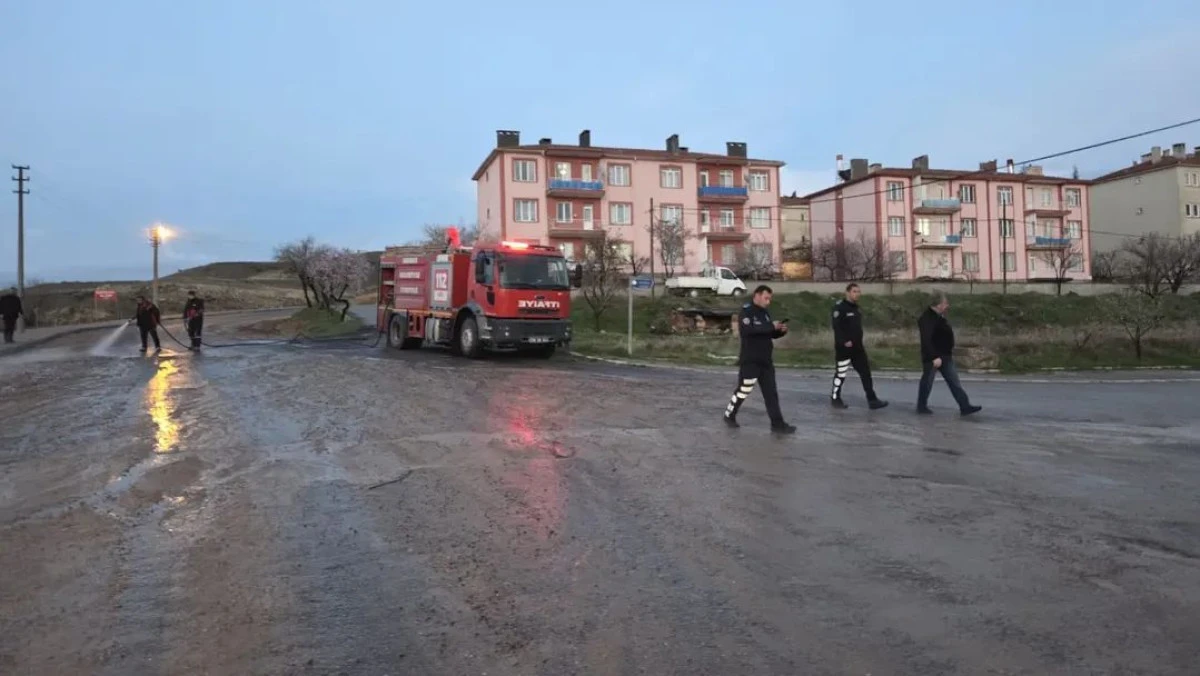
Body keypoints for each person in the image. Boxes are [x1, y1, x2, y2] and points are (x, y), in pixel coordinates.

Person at [722, 285, 797, 434]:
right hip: (751, 360)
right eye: (766, 298)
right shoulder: (746, 312)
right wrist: (770, 326)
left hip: (765, 360)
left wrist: (779, 331)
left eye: (770, 298)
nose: (768, 302)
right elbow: (749, 331)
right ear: (757, 295)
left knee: (771, 393)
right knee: (744, 390)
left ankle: (778, 424)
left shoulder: (765, 313)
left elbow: (768, 333)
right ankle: (730, 414)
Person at [917, 292, 982, 416]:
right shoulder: (927, 318)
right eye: (945, 303)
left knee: (954, 381)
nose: (947, 305)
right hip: (934, 357)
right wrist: (934, 357)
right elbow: (926, 339)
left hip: (945, 355)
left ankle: (965, 406)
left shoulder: (939, 316)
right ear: (938, 304)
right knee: (927, 382)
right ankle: (921, 406)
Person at [830, 283, 888, 410]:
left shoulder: (856, 308)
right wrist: (844, 341)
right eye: (854, 291)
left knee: (866, 373)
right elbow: (837, 327)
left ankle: (872, 400)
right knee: (841, 374)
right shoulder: (840, 308)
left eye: (858, 292)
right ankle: (835, 398)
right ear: (848, 293)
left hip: (857, 348)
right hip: (844, 348)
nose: (857, 294)